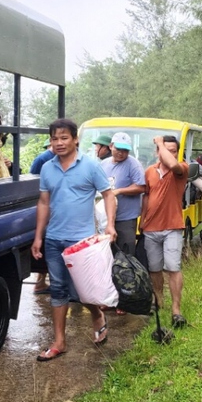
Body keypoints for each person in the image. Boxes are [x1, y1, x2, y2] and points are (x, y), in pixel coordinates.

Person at [32, 118, 116, 361]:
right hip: (54, 239)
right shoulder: (47, 168)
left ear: (75, 139)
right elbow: (44, 203)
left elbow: (108, 195)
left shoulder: (90, 166)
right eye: (54, 139)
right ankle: (59, 342)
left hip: (82, 243)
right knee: (58, 289)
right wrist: (39, 236)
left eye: (64, 138)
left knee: (83, 290)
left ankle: (98, 315)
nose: (59, 143)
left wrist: (110, 225)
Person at [139, 135, 189, 329]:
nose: (169, 153)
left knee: (173, 267)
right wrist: (142, 221)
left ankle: (176, 310)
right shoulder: (149, 172)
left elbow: (171, 163)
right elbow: (146, 196)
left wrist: (160, 144)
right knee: (154, 268)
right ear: (156, 153)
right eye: (164, 149)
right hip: (151, 228)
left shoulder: (181, 169)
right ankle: (158, 300)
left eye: (173, 150)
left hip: (172, 227)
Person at [100, 132, 145, 257]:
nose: (121, 153)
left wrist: (119, 191)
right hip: (105, 219)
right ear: (111, 146)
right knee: (106, 254)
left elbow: (141, 186)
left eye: (125, 150)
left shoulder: (133, 165)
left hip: (125, 219)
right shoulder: (104, 164)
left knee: (125, 255)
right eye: (118, 149)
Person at [29, 143, 57, 295]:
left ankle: (43, 282)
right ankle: (41, 282)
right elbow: (33, 182)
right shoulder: (43, 160)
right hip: (47, 208)